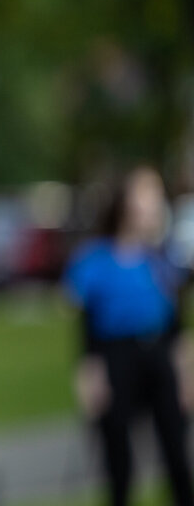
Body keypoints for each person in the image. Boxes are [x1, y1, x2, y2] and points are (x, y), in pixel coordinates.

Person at [64, 166, 194, 506]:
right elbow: (86, 323)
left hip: (159, 353)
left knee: (177, 454)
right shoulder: (96, 260)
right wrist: (89, 372)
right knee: (118, 460)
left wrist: (185, 373)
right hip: (116, 356)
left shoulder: (163, 257)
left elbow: (176, 324)